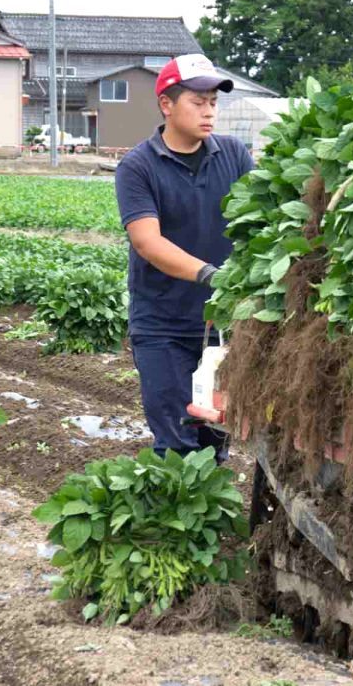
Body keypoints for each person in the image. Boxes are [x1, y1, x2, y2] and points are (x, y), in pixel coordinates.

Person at [114, 53, 255, 460]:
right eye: (197, 102)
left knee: (216, 438)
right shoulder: (138, 167)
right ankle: (172, 520)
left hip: (222, 327)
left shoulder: (234, 156)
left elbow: (259, 224)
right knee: (176, 442)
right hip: (163, 327)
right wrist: (211, 275)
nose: (208, 112)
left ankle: (208, 521)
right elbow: (147, 242)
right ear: (166, 104)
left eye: (213, 102)